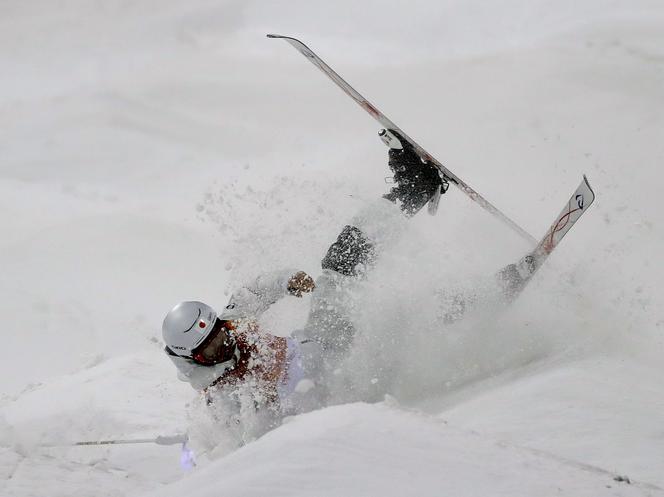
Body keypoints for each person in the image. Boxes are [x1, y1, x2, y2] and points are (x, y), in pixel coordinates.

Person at [162, 129, 447, 417]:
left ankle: (414, 188)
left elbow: (255, 291)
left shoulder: (232, 328)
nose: (224, 347)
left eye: (220, 335)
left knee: (343, 257)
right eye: (210, 352)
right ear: (193, 359)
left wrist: (288, 280)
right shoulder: (224, 397)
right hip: (341, 383)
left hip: (322, 339)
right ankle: (480, 299)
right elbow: (259, 440)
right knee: (396, 321)